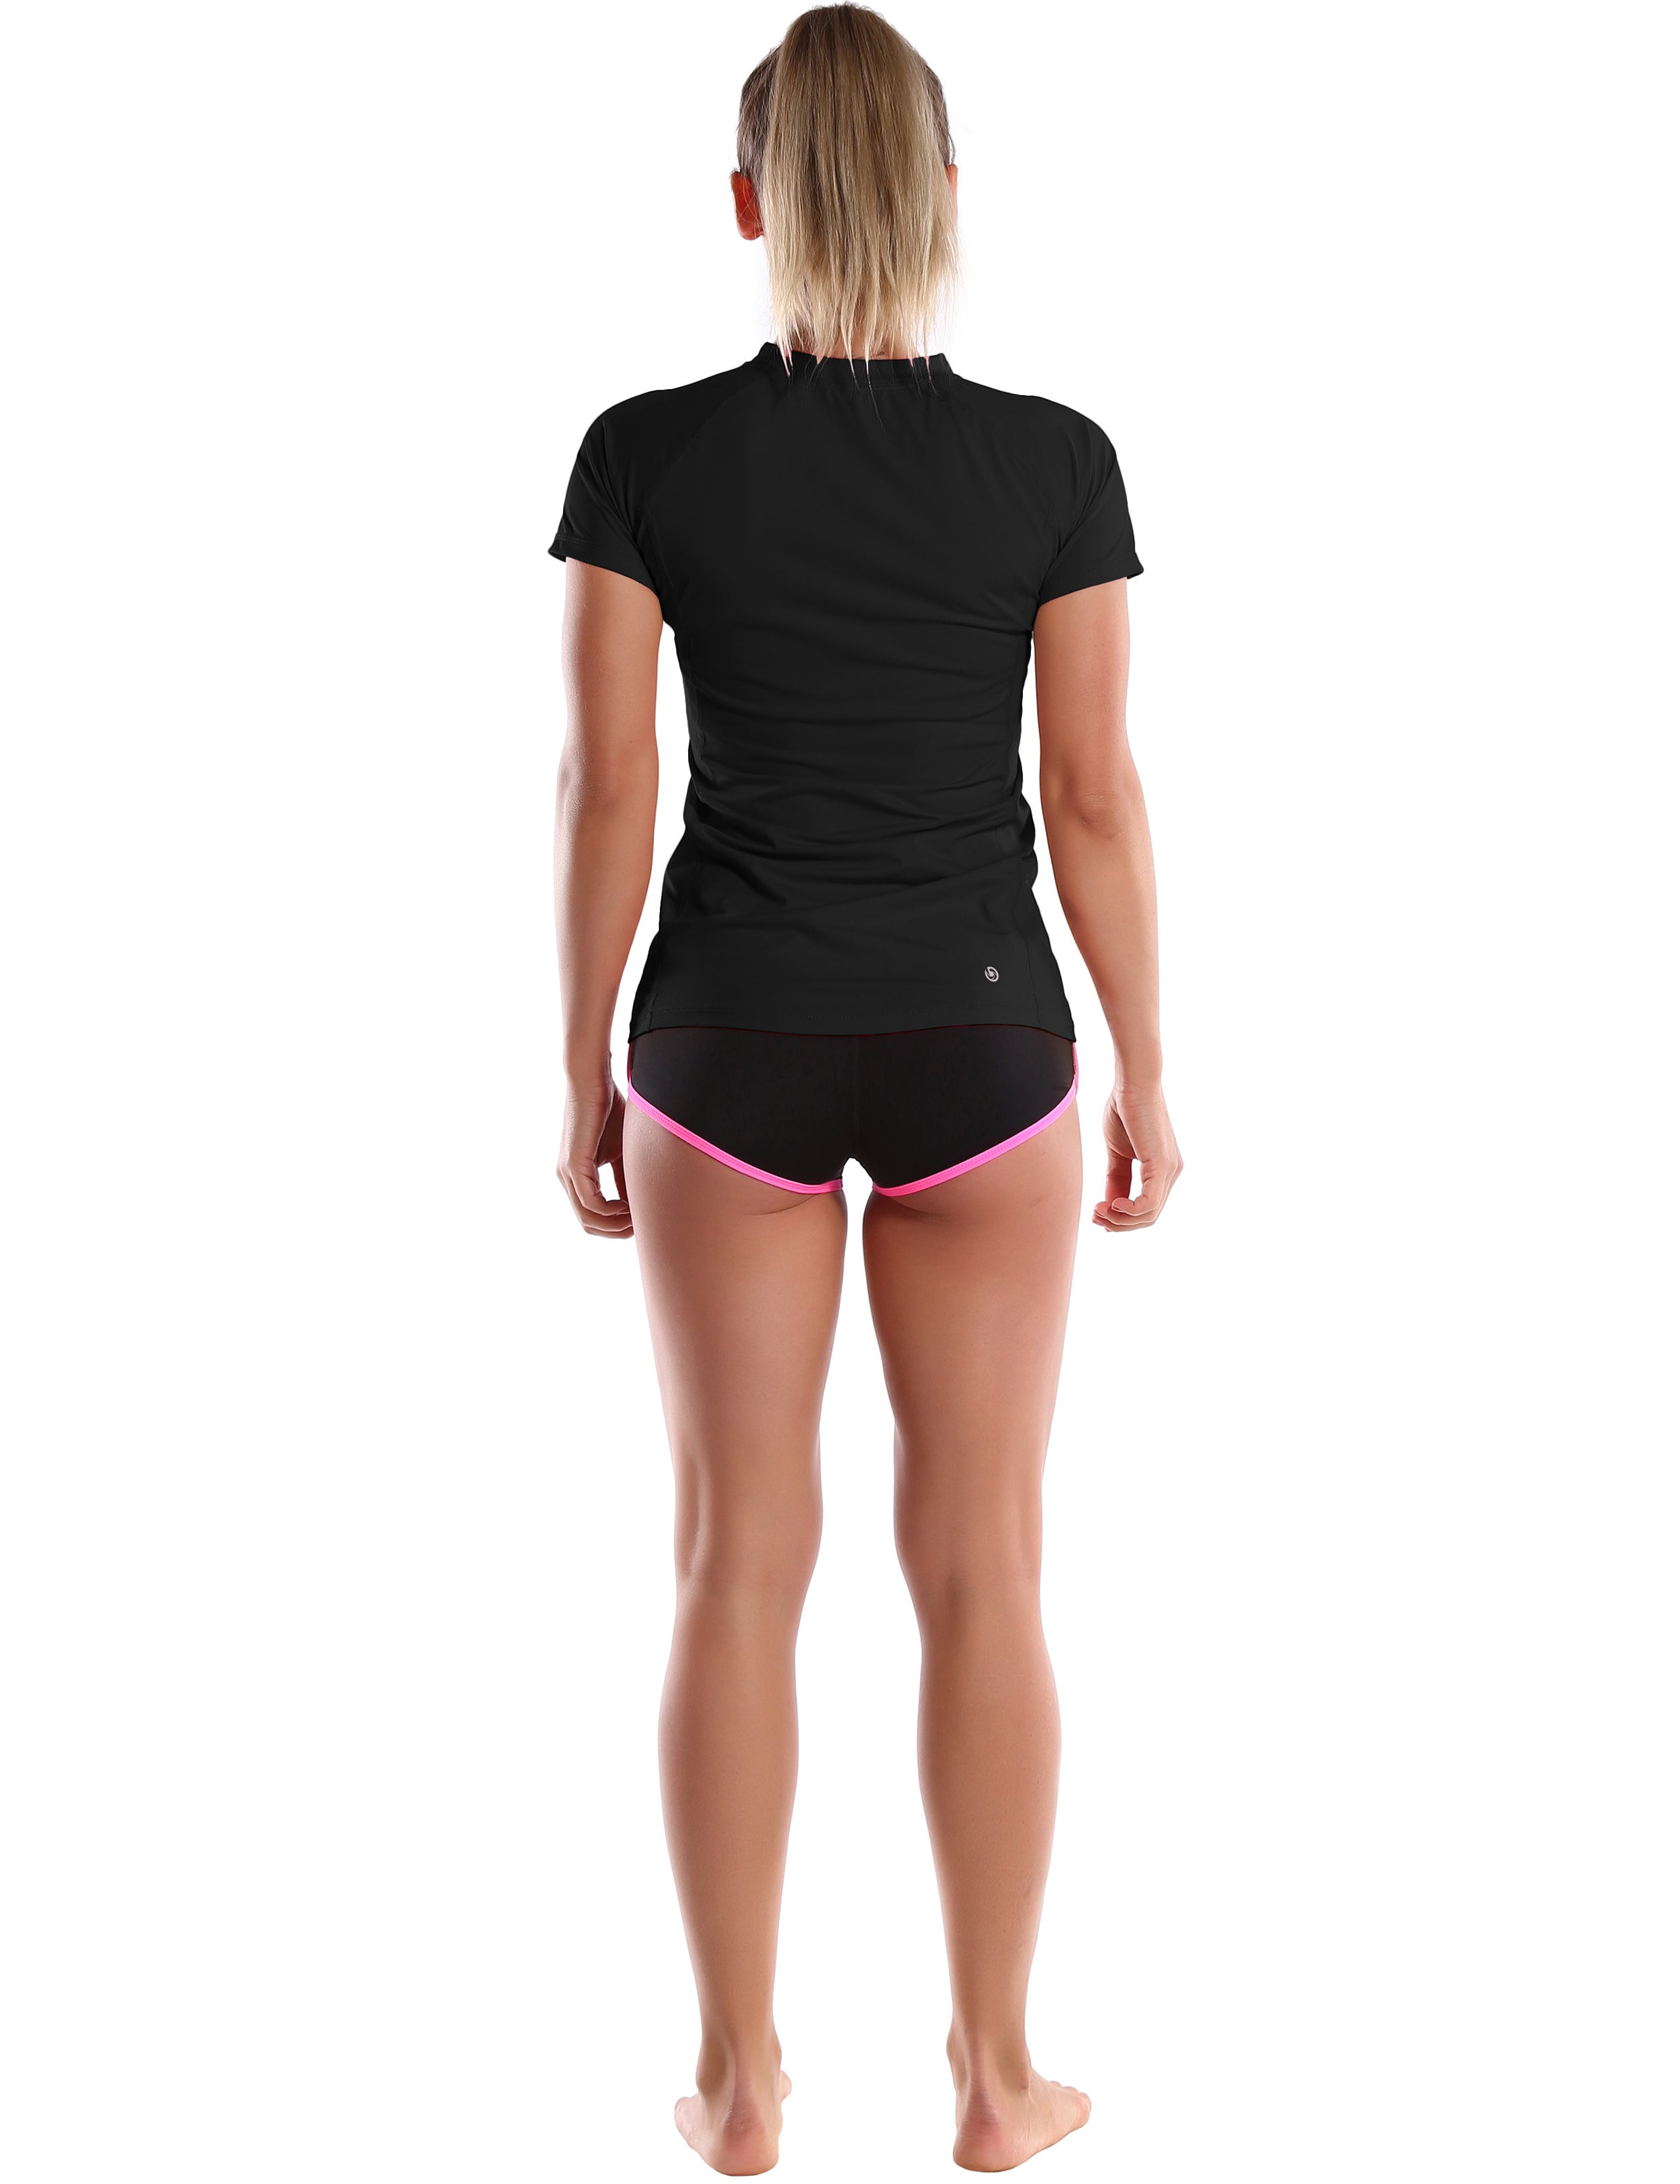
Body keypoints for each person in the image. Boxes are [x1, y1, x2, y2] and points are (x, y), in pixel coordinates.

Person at [550, 6, 1181, 2170]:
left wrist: (579, 1062)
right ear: (944, 195)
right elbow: (1087, 796)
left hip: (718, 1038)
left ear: (747, 201)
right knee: (983, 1561)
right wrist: (1146, 1063)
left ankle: (738, 2081)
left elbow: (605, 788)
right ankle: (995, 2077)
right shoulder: (1054, 461)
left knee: (733, 1557)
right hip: (983, 1043)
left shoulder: (642, 454)